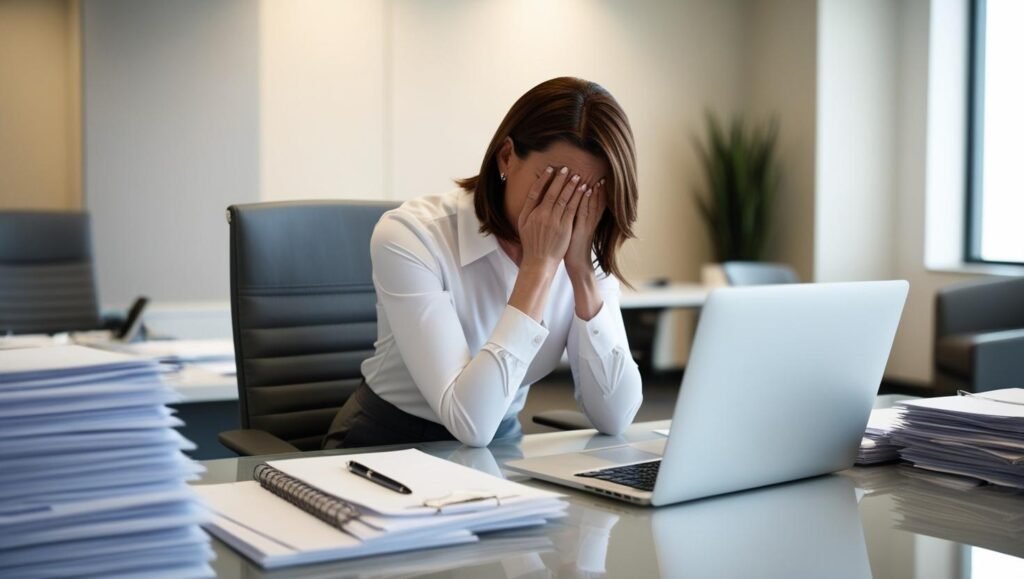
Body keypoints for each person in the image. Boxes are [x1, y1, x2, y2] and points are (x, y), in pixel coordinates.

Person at [323, 77, 643, 449]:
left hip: (499, 448)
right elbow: (469, 421)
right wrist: (538, 268)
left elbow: (616, 416)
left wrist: (582, 275)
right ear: (506, 158)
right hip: (385, 445)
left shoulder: (582, 249)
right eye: (555, 184)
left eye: (588, 195)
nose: (566, 208)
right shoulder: (412, 235)